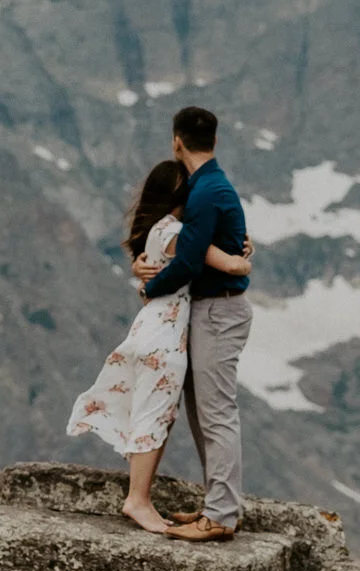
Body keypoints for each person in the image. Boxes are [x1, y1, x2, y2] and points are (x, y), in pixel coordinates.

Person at [66, 158, 251, 533]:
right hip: (165, 339)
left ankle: (141, 497)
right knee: (157, 415)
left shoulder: (154, 230)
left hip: (148, 330)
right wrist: (244, 260)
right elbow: (226, 266)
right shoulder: (180, 233)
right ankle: (138, 500)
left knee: (154, 412)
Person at [134, 105, 251, 542]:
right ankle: (218, 505)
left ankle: (221, 514)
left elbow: (187, 260)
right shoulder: (211, 187)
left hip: (218, 310)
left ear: (176, 141)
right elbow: (220, 247)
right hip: (210, 309)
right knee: (203, 413)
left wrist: (149, 288)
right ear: (214, 141)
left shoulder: (204, 191)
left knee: (217, 413)